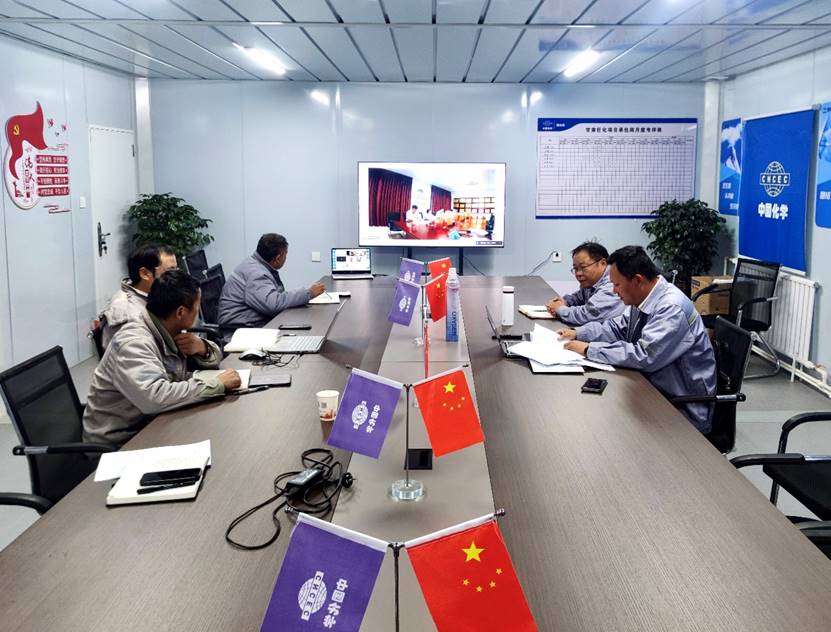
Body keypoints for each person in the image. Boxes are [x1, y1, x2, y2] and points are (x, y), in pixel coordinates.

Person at [560, 245, 716, 433]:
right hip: (652, 389)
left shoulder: (671, 308)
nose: (614, 291)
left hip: (681, 408)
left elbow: (644, 356)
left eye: (617, 285)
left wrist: (588, 349)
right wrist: (579, 333)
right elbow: (617, 328)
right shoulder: (643, 298)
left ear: (638, 280)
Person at [83, 270, 241, 447]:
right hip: (119, 442)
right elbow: (155, 398)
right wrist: (216, 385)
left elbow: (209, 361)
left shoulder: (168, 327)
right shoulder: (134, 343)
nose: (198, 313)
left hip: (152, 423)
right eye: (197, 308)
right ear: (180, 312)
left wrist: (202, 348)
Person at [217, 233, 325, 331]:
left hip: (250, 323)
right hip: (241, 331)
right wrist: (308, 293)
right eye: (285, 254)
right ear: (278, 258)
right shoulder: (256, 274)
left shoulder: (254, 263)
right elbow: (274, 304)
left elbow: (274, 297)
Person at [100, 243, 178, 348]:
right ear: (145, 274)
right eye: (170, 271)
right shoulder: (125, 314)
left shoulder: (156, 296)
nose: (177, 277)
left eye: (176, 270)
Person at [546, 242, 624, 326]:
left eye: (583, 267)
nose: (578, 273)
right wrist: (564, 301)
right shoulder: (591, 282)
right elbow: (578, 298)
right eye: (575, 268)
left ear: (602, 264)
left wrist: (559, 309)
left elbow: (587, 315)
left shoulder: (612, 284)